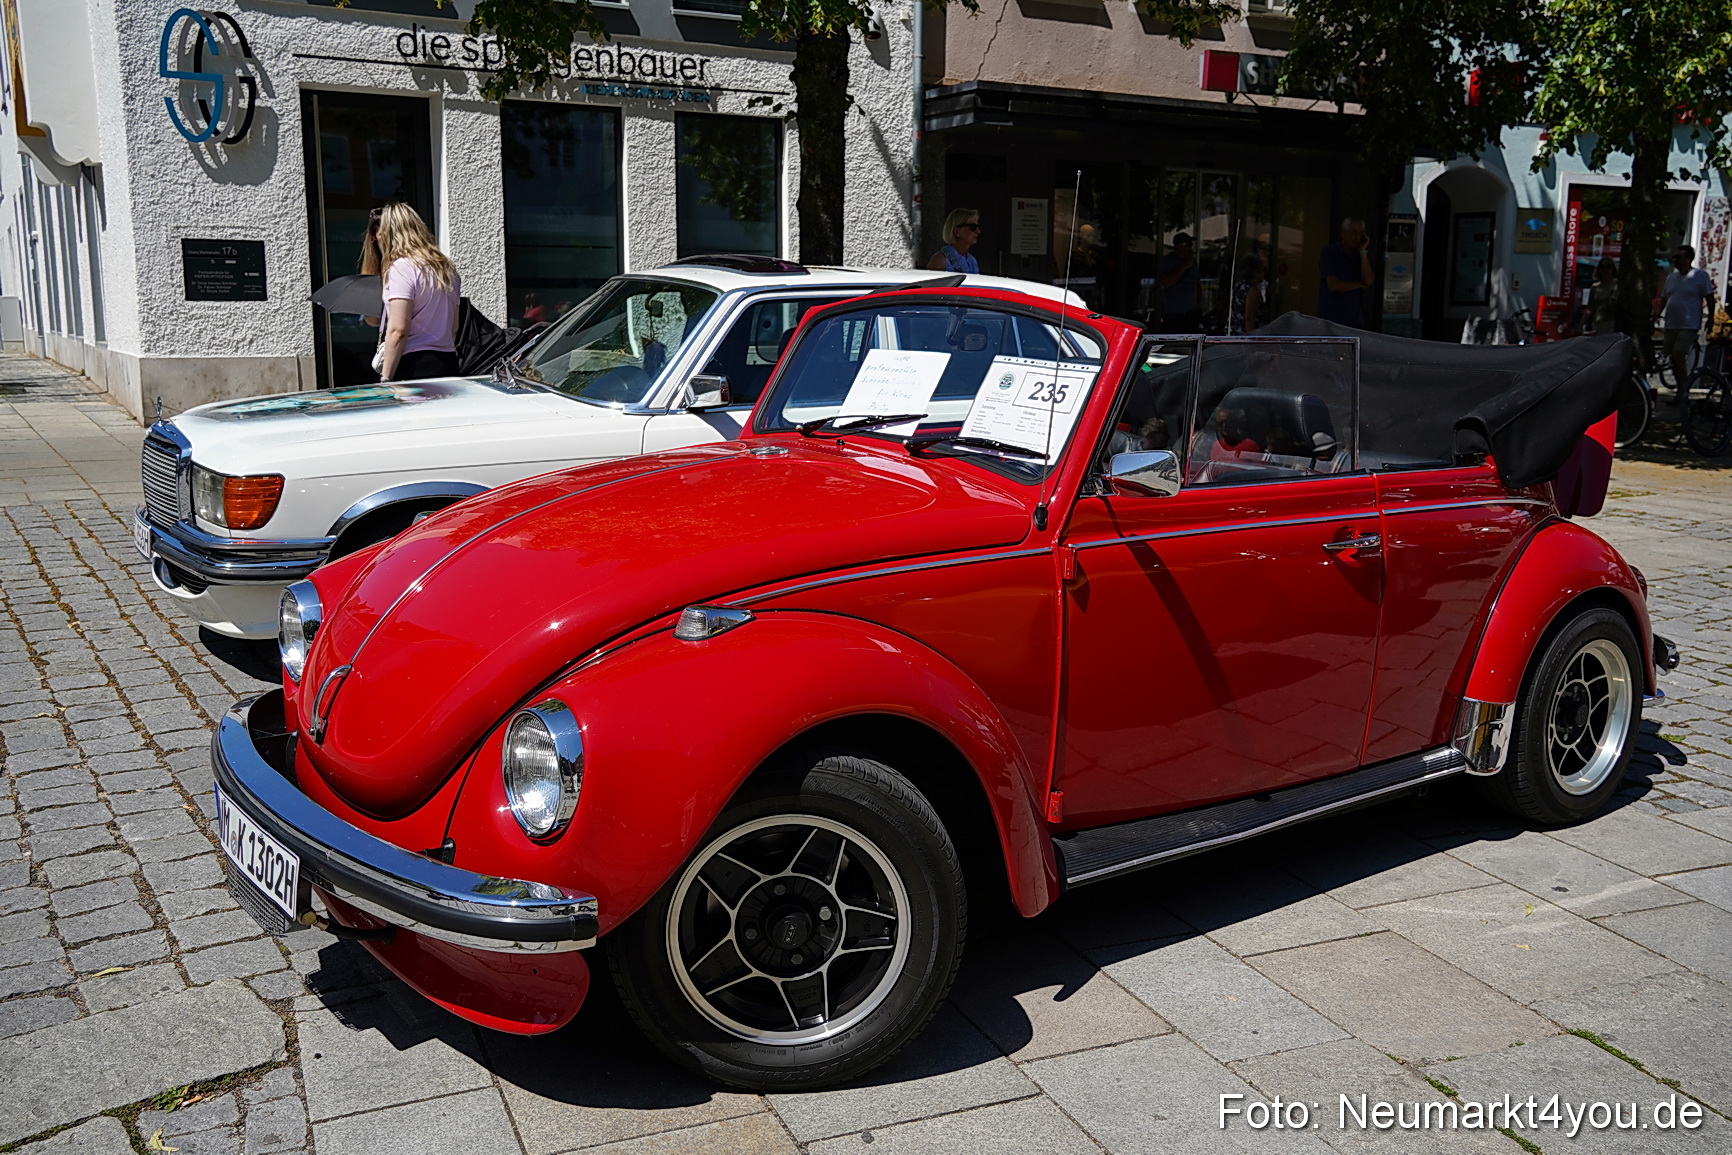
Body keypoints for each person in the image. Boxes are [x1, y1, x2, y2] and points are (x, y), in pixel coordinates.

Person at [376, 202, 462, 382]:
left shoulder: (403, 267)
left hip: (413, 365)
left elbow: (398, 330)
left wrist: (386, 377)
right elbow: (453, 328)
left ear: (391, 233)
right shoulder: (446, 269)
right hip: (447, 361)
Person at [1661, 245, 1716, 388]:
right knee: (1672, 359)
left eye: (1679, 257)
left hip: (1689, 324)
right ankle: (1681, 386)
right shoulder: (1671, 277)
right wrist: (1654, 316)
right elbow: (1663, 299)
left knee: (1678, 356)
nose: (1676, 260)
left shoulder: (1700, 276)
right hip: (1671, 323)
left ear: (1688, 259)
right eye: (1674, 257)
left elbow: (1709, 298)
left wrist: (1711, 318)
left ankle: (1683, 391)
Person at [1318, 218, 1374, 326]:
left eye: (1360, 233)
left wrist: (1363, 252)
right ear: (1343, 233)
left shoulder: (1361, 255)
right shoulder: (1329, 252)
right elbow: (1333, 285)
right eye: (1354, 233)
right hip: (1331, 318)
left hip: (1355, 318)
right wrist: (1358, 284)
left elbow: (1368, 280)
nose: (1357, 237)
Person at [1155, 232, 1201, 332]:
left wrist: (1199, 306)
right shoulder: (1167, 261)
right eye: (1188, 245)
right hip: (1174, 313)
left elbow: (1197, 283)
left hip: (1191, 312)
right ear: (1179, 246)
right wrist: (1184, 266)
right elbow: (1166, 283)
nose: (1191, 248)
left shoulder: (1193, 262)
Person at [927, 209, 981, 273]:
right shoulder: (941, 260)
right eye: (973, 227)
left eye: (978, 227)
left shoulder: (972, 261)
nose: (978, 231)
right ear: (956, 231)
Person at [1228, 253, 1268, 334]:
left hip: (1233, 332)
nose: (1264, 274)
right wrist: (1250, 338)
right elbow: (1249, 317)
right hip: (1243, 335)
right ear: (1256, 272)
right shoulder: (1252, 291)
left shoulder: (1239, 285)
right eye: (1263, 270)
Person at [1585, 259, 1619, 334]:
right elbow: (1590, 308)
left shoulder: (1618, 285)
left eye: (1608, 267)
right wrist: (1581, 324)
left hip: (1613, 323)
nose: (1605, 269)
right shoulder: (1595, 287)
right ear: (1599, 269)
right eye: (1602, 267)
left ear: (1613, 269)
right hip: (1598, 324)